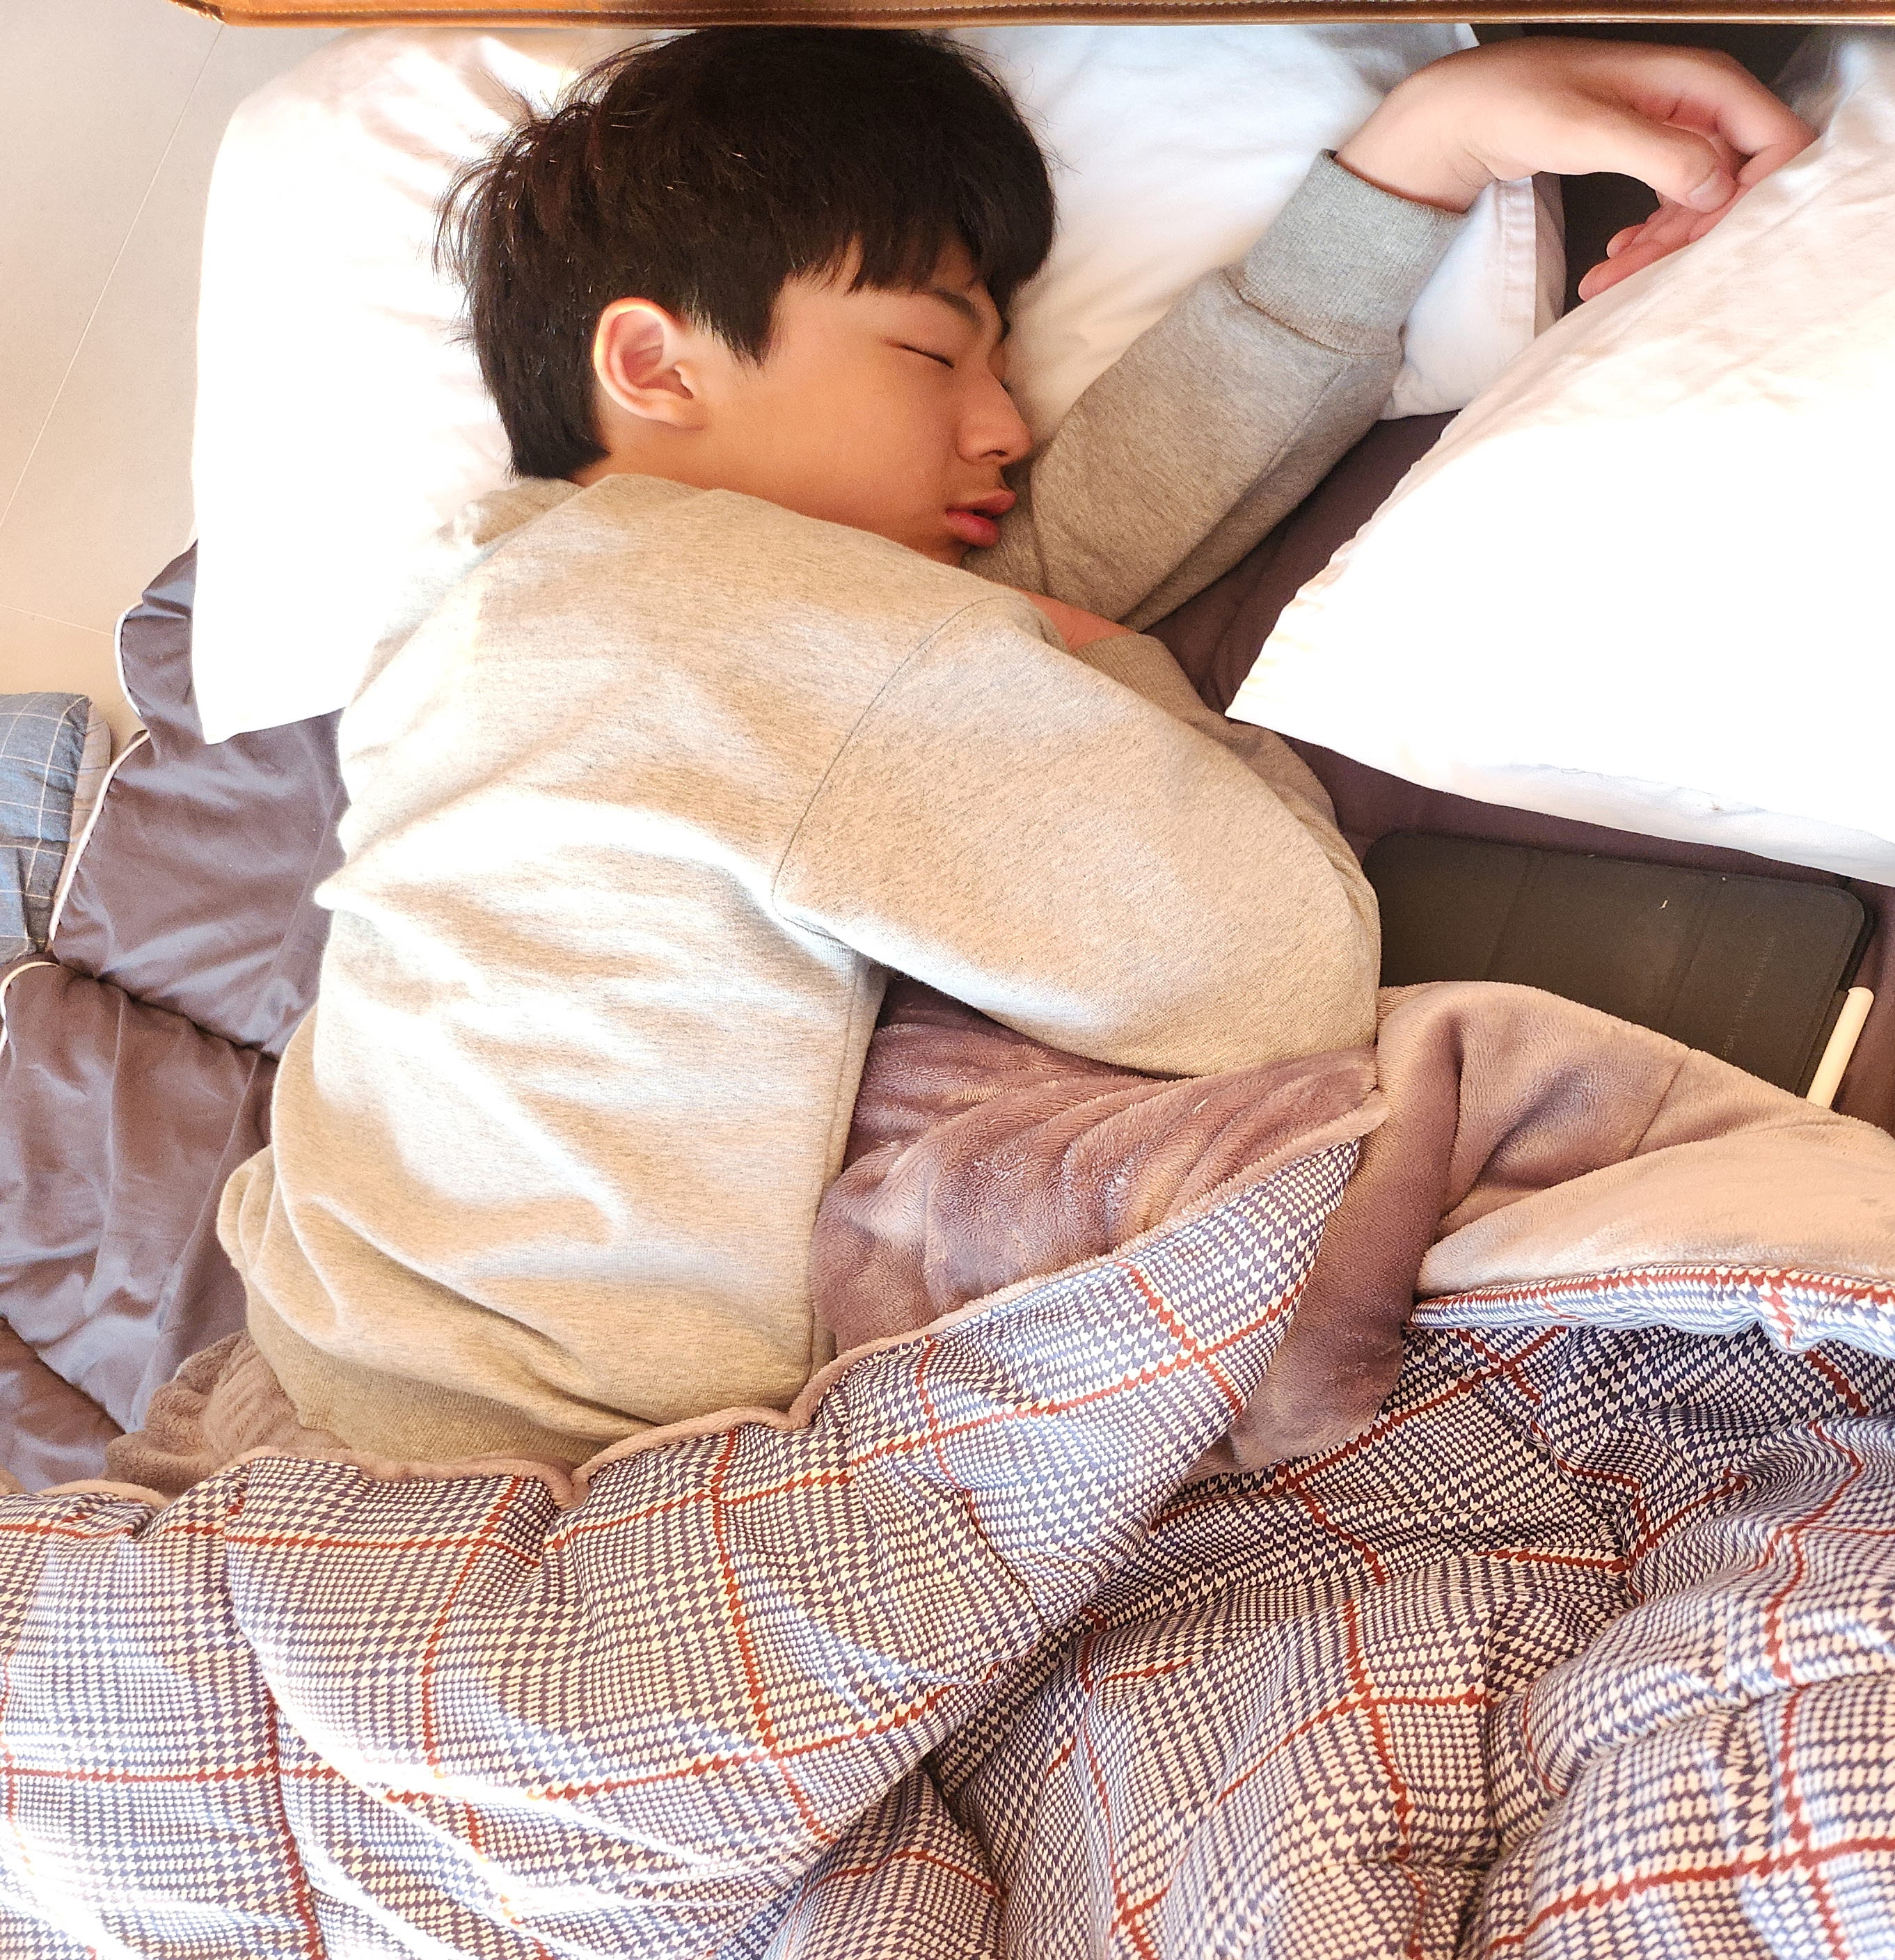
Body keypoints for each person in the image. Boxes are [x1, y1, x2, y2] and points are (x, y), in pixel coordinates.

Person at [214, 28, 1812, 1469]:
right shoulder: (738, 625)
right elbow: (1267, 965)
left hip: (310, 1379)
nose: (1009, 422)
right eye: (933, 353)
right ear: (654, 364)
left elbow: (1095, 522)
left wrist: (1423, 155)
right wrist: (1122, 673)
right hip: (540, 1467)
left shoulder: (503, 609)